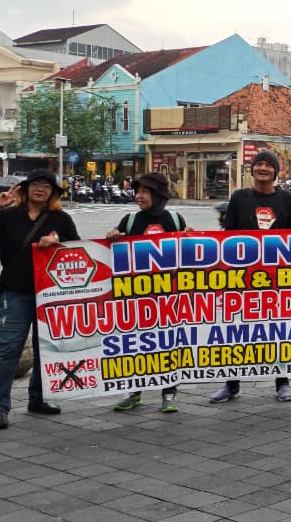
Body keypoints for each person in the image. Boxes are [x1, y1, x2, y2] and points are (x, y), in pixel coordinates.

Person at [0, 170, 79, 429]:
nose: (40, 188)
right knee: (9, 349)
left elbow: (79, 251)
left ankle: (37, 399)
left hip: (50, 294)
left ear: (53, 193)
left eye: (47, 186)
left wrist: (58, 243)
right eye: (36, 184)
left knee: (46, 349)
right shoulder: (8, 217)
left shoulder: (60, 219)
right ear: (26, 189)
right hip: (16, 292)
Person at [209, 150, 291, 404]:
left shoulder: (287, 200)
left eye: (268, 165)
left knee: (278, 332)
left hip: (276, 279)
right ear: (252, 170)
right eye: (258, 164)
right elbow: (228, 238)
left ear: (276, 172)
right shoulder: (239, 198)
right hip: (243, 279)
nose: (263, 169)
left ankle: (282, 383)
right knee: (237, 333)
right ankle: (231, 384)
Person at [106, 173, 193, 413]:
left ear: (158, 195)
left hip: (168, 297)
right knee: (136, 345)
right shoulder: (130, 220)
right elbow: (113, 250)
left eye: (145, 192)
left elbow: (188, 255)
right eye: (138, 191)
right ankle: (134, 392)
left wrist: (190, 238)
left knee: (169, 344)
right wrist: (112, 236)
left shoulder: (174, 219)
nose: (138, 196)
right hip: (137, 296)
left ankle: (169, 393)